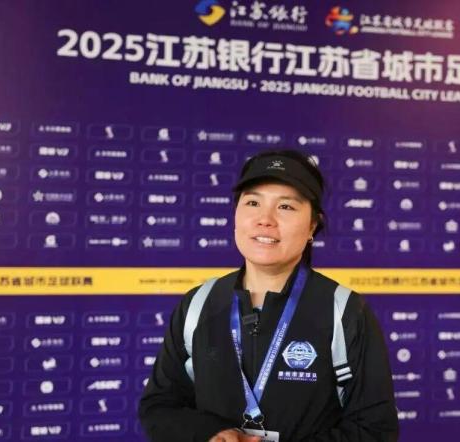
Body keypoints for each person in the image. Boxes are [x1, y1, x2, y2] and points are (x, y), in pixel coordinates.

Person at [139, 149, 399, 442]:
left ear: (312, 225)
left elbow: (376, 429)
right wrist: (210, 434)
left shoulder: (344, 311)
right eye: (253, 202)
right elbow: (159, 406)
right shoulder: (198, 304)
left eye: (286, 206)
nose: (265, 219)